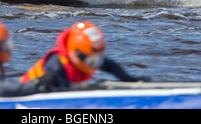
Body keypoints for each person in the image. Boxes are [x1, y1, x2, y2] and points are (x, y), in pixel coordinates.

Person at [20, 21, 148, 90]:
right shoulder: (57, 65)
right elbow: (64, 98)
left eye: (97, 57)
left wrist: (129, 80)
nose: (95, 62)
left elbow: (110, 66)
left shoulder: (88, 57)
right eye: (91, 58)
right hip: (28, 97)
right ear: (77, 54)